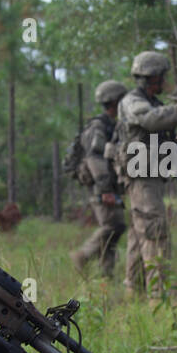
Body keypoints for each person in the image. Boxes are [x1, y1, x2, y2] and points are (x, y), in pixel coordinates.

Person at [117, 51, 177, 295]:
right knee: (155, 233)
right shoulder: (133, 100)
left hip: (149, 176)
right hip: (142, 178)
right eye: (160, 77)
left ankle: (133, 294)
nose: (163, 81)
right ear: (150, 78)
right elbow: (151, 121)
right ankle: (159, 296)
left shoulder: (154, 101)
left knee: (139, 237)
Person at [69, 80, 129, 277]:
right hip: (101, 186)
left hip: (109, 184)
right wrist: (105, 190)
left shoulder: (111, 125)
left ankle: (106, 274)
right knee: (114, 226)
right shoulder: (98, 126)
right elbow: (94, 157)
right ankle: (83, 255)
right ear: (114, 102)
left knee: (112, 231)